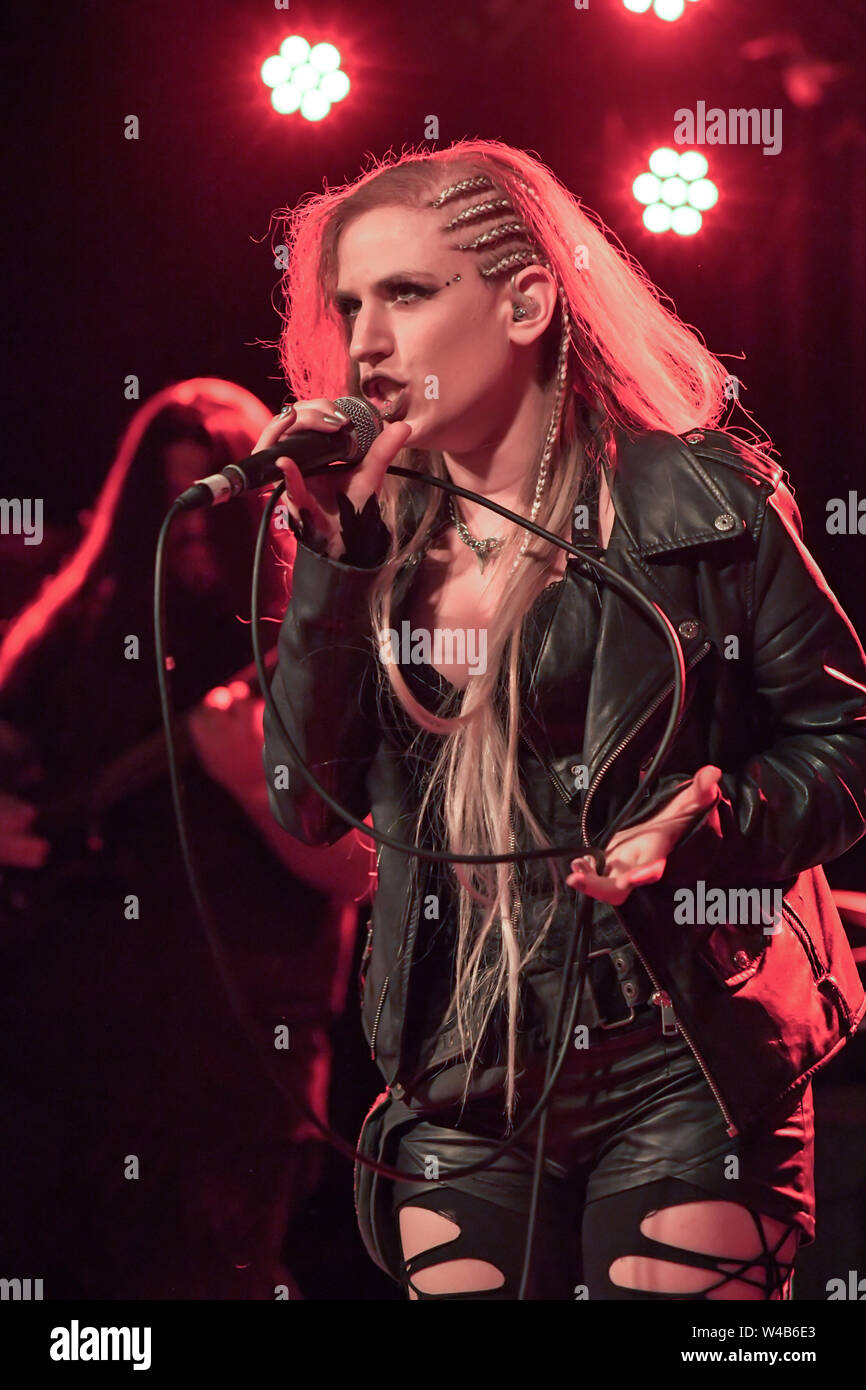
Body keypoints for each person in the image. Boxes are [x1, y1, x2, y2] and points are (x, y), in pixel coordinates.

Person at [258, 140, 866, 1301]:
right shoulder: (371, 539)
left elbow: (842, 750)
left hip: (676, 1050)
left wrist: (709, 826)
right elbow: (303, 797)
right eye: (349, 303)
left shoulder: (701, 502)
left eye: (406, 293)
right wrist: (335, 566)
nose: (366, 341)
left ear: (527, 300)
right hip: (460, 1068)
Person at [0, 378, 370, 1298]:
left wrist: (251, 781)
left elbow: (365, 870)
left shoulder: (309, 648)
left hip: (229, 1080)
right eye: (172, 499)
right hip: (55, 1061)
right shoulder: (70, 637)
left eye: (214, 493)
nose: (196, 526)